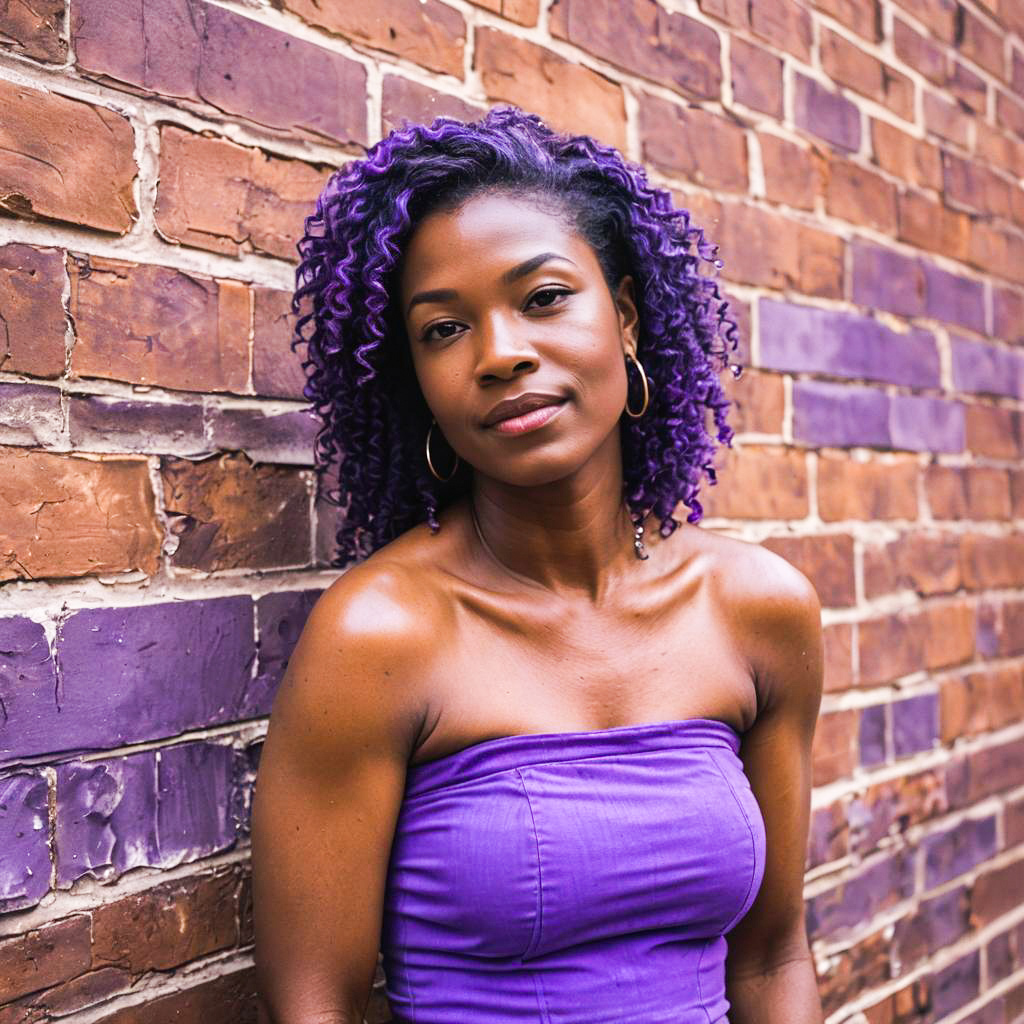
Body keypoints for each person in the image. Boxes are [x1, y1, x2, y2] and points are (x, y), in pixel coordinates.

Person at [251, 106, 825, 1024]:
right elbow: (314, 1003)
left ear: (627, 319)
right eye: (443, 329)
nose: (501, 353)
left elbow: (771, 957)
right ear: (417, 380)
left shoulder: (757, 609)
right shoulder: (384, 633)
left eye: (544, 297)